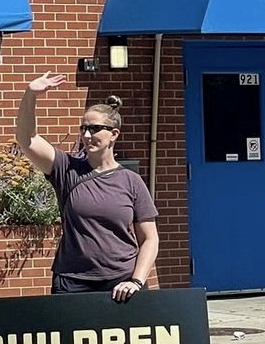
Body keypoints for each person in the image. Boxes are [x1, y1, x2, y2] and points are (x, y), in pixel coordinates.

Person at [16, 72, 159, 301]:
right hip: (72, 282)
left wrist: (136, 280)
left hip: (122, 282)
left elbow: (150, 239)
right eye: (83, 128)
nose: (86, 134)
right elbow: (27, 140)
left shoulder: (131, 181)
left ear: (114, 134)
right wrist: (30, 94)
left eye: (94, 128)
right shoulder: (66, 169)